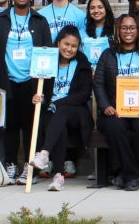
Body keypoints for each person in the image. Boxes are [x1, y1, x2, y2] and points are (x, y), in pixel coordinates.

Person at [0, 0, 52, 180]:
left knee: (32, 126)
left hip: (31, 82)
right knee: (10, 127)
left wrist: (44, 85)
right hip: (8, 81)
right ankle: (11, 164)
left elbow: (47, 52)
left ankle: (29, 168)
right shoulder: (1, 19)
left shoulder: (39, 21)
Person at [93, 13, 139, 191]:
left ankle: (124, 173)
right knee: (115, 128)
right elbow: (98, 83)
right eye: (124, 27)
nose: (128, 31)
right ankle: (133, 174)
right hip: (115, 111)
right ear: (117, 30)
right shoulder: (108, 55)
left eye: (132, 27)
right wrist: (105, 106)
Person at [28, 25, 94, 190]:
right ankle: (58, 176)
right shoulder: (48, 62)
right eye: (66, 44)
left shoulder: (82, 63)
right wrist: (40, 98)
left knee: (61, 112)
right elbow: (42, 92)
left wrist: (56, 103)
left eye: (73, 46)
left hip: (76, 113)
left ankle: (44, 154)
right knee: (57, 124)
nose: (69, 49)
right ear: (58, 42)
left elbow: (84, 94)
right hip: (54, 112)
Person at [82, 0, 115, 66]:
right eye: (92, 8)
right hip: (87, 72)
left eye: (100, 7)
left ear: (106, 8)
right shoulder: (82, 31)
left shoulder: (115, 30)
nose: (96, 11)